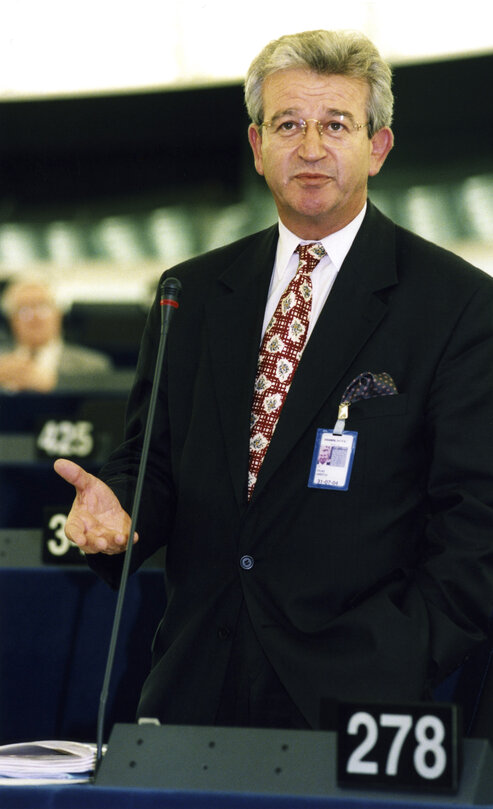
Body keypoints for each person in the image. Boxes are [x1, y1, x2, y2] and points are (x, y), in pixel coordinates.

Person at [55, 29, 493, 730]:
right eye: (287, 123)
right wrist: (125, 510)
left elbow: (477, 521)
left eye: (335, 124)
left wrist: (404, 651)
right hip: (194, 680)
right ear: (256, 146)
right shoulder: (189, 293)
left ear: (377, 147)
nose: (311, 147)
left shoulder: (457, 304)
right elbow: (154, 460)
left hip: (361, 699)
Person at [0, 278, 113, 392]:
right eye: (24, 310)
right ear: (12, 320)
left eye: (42, 307)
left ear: (58, 314)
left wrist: (54, 384)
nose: (35, 316)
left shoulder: (92, 366)